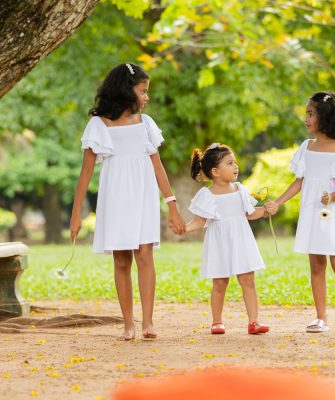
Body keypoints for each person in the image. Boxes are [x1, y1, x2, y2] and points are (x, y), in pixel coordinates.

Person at [69, 63, 185, 341]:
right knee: (121, 260)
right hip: (116, 196)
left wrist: (172, 206)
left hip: (143, 195)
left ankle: (148, 322)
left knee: (145, 255)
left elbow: (158, 167)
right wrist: (75, 215)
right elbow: (85, 174)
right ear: (126, 90)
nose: (147, 97)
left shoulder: (146, 124)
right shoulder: (99, 125)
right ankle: (128, 324)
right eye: (143, 91)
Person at [265, 91, 335, 333]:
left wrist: (334, 195)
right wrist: (277, 202)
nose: (306, 119)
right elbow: (299, 181)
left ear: (326, 117)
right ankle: (321, 317)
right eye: (306, 114)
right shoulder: (306, 147)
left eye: (311, 114)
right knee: (316, 264)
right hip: (313, 212)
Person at [184, 143, 270, 335]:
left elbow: (249, 213)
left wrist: (264, 211)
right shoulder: (207, 195)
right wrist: (185, 228)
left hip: (241, 239)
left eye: (235, 162)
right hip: (219, 241)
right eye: (230, 163)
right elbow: (199, 221)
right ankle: (217, 321)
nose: (236, 167)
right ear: (215, 171)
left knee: (248, 279)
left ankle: (254, 321)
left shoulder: (240, 189)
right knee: (220, 282)